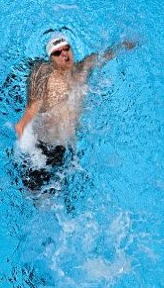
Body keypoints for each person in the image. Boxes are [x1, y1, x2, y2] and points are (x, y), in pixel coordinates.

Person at [15, 33, 136, 192]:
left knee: (67, 204)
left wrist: (125, 45)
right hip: (41, 150)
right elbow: (33, 104)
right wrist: (23, 122)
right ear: (51, 58)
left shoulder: (83, 70)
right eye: (57, 53)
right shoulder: (44, 74)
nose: (64, 54)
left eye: (66, 49)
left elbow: (105, 55)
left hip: (67, 151)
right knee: (34, 197)